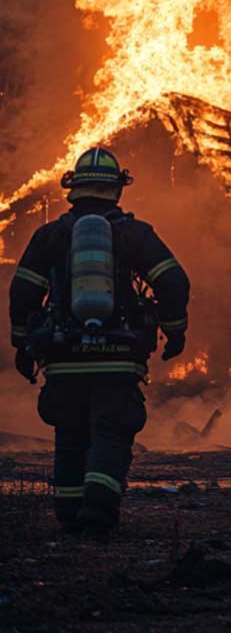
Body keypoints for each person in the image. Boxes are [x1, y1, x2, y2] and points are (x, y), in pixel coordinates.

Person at [8, 147, 190, 536]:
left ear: (73, 188)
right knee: (111, 430)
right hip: (119, 355)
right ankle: (99, 509)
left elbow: (22, 293)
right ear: (117, 190)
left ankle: (69, 513)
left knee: (70, 433)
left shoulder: (50, 236)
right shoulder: (134, 234)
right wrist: (175, 329)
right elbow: (173, 281)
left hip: (62, 354)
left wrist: (21, 345)